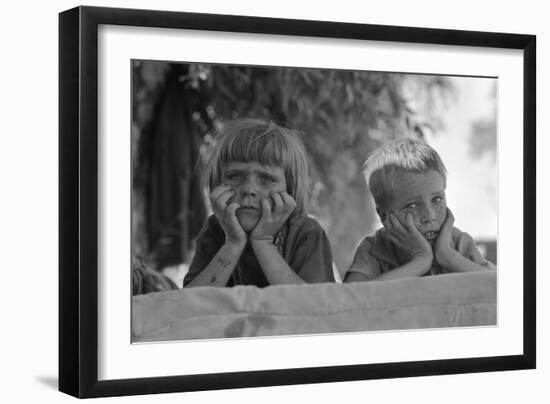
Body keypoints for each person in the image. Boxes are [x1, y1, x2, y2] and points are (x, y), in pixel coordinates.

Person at [184, 118, 335, 287]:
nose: (249, 189)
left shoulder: (306, 233)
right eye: (235, 176)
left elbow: (314, 307)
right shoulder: (215, 229)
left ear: (290, 190)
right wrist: (233, 243)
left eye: (266, 179)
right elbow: (187, 306)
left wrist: (263, 242)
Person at [344, 137, 496, 283]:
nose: (429, 216)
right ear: (384, 216)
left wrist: (448, 257)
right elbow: (349, 298)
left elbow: (501, 289)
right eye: (412, 205)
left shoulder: (459, 243)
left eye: (436, 200)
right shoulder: (373, 249)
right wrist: (420, 261)